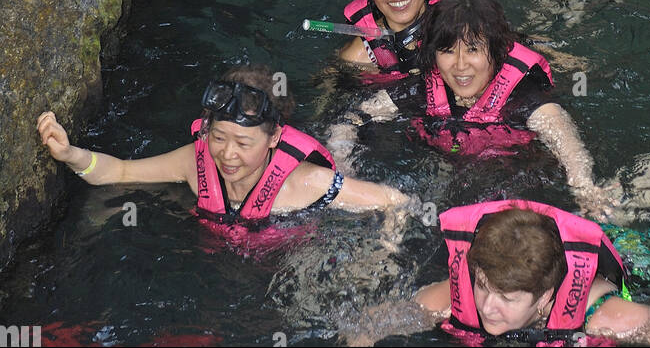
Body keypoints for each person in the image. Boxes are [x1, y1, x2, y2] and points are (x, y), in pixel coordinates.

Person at [37, 63, 407, 238]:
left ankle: (354, 121)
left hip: (293, 244)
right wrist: (71, 154)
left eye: (244, 143)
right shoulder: (193, 163)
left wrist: (383, 256)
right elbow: (118, 173)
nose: (227, 154)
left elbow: (396, 201)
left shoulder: (310, 184)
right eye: (218, 138)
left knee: (341, 145)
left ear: (274, 138)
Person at [334, 0, 616, 218]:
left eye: (473, 50)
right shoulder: (421, 91)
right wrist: (343, 162)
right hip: (448, 173)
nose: (460, 65)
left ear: (496, 52)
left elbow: (566, 144)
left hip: (517, 184)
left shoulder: (524, 99)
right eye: (447, 51)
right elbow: (352, 118)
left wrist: (584, 188)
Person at [397, 200, 650, 346]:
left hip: (635, 257)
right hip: (553, 242)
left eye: (508, 299)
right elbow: (375, 324)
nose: (486, 307)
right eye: (482, 286)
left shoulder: (603, 317)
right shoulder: (454, 298)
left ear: (545, 297)